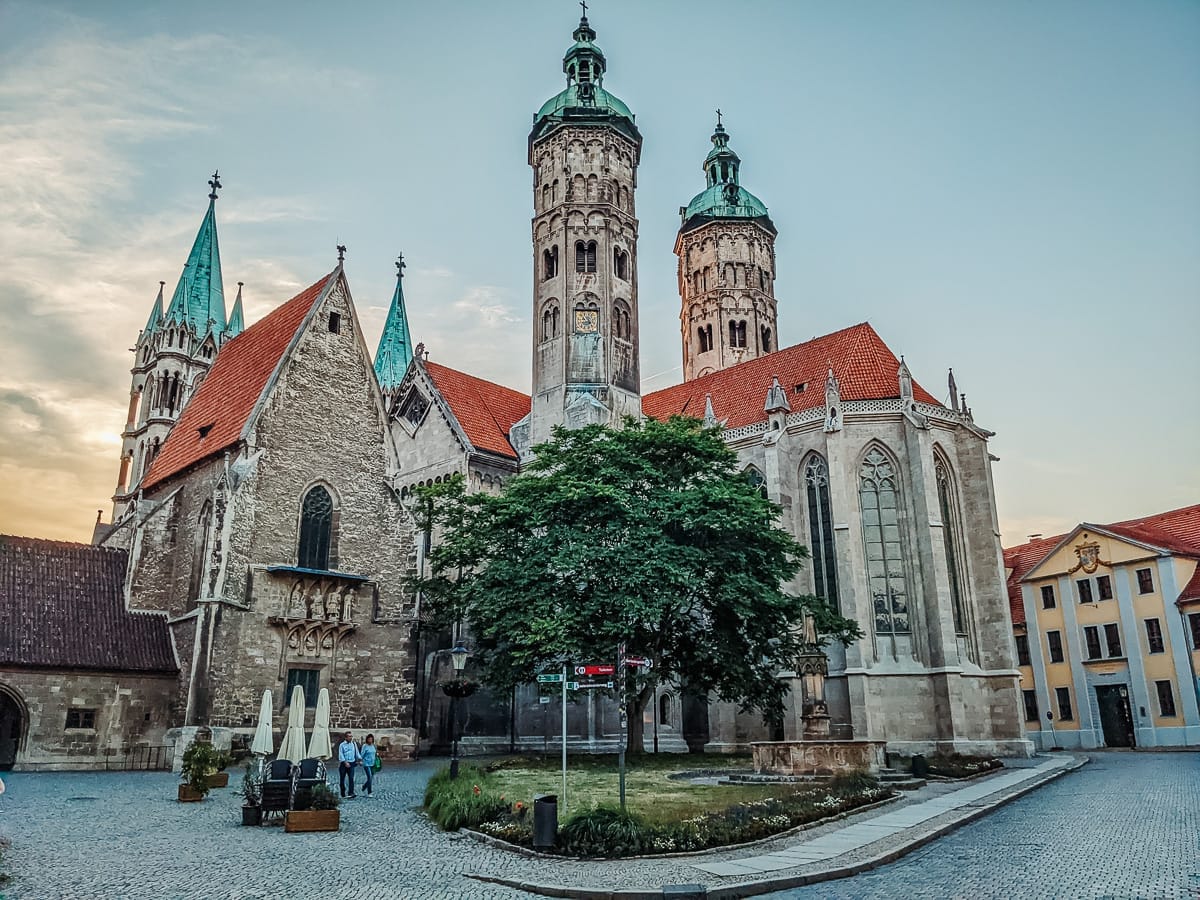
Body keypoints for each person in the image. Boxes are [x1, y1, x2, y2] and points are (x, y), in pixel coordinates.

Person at [337, 730, 360, 799]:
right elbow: (341, 754)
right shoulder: (342, 745)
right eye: (349, 736)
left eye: (351, 736)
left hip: (352, 763)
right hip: (344, 764)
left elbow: (357, 752)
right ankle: (343, 792)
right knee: (342, 779)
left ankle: (351, 792)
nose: (351, 738)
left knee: (351, 778)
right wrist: (345, 762)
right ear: (346, 738)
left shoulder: (354, 744)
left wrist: (360, 760)